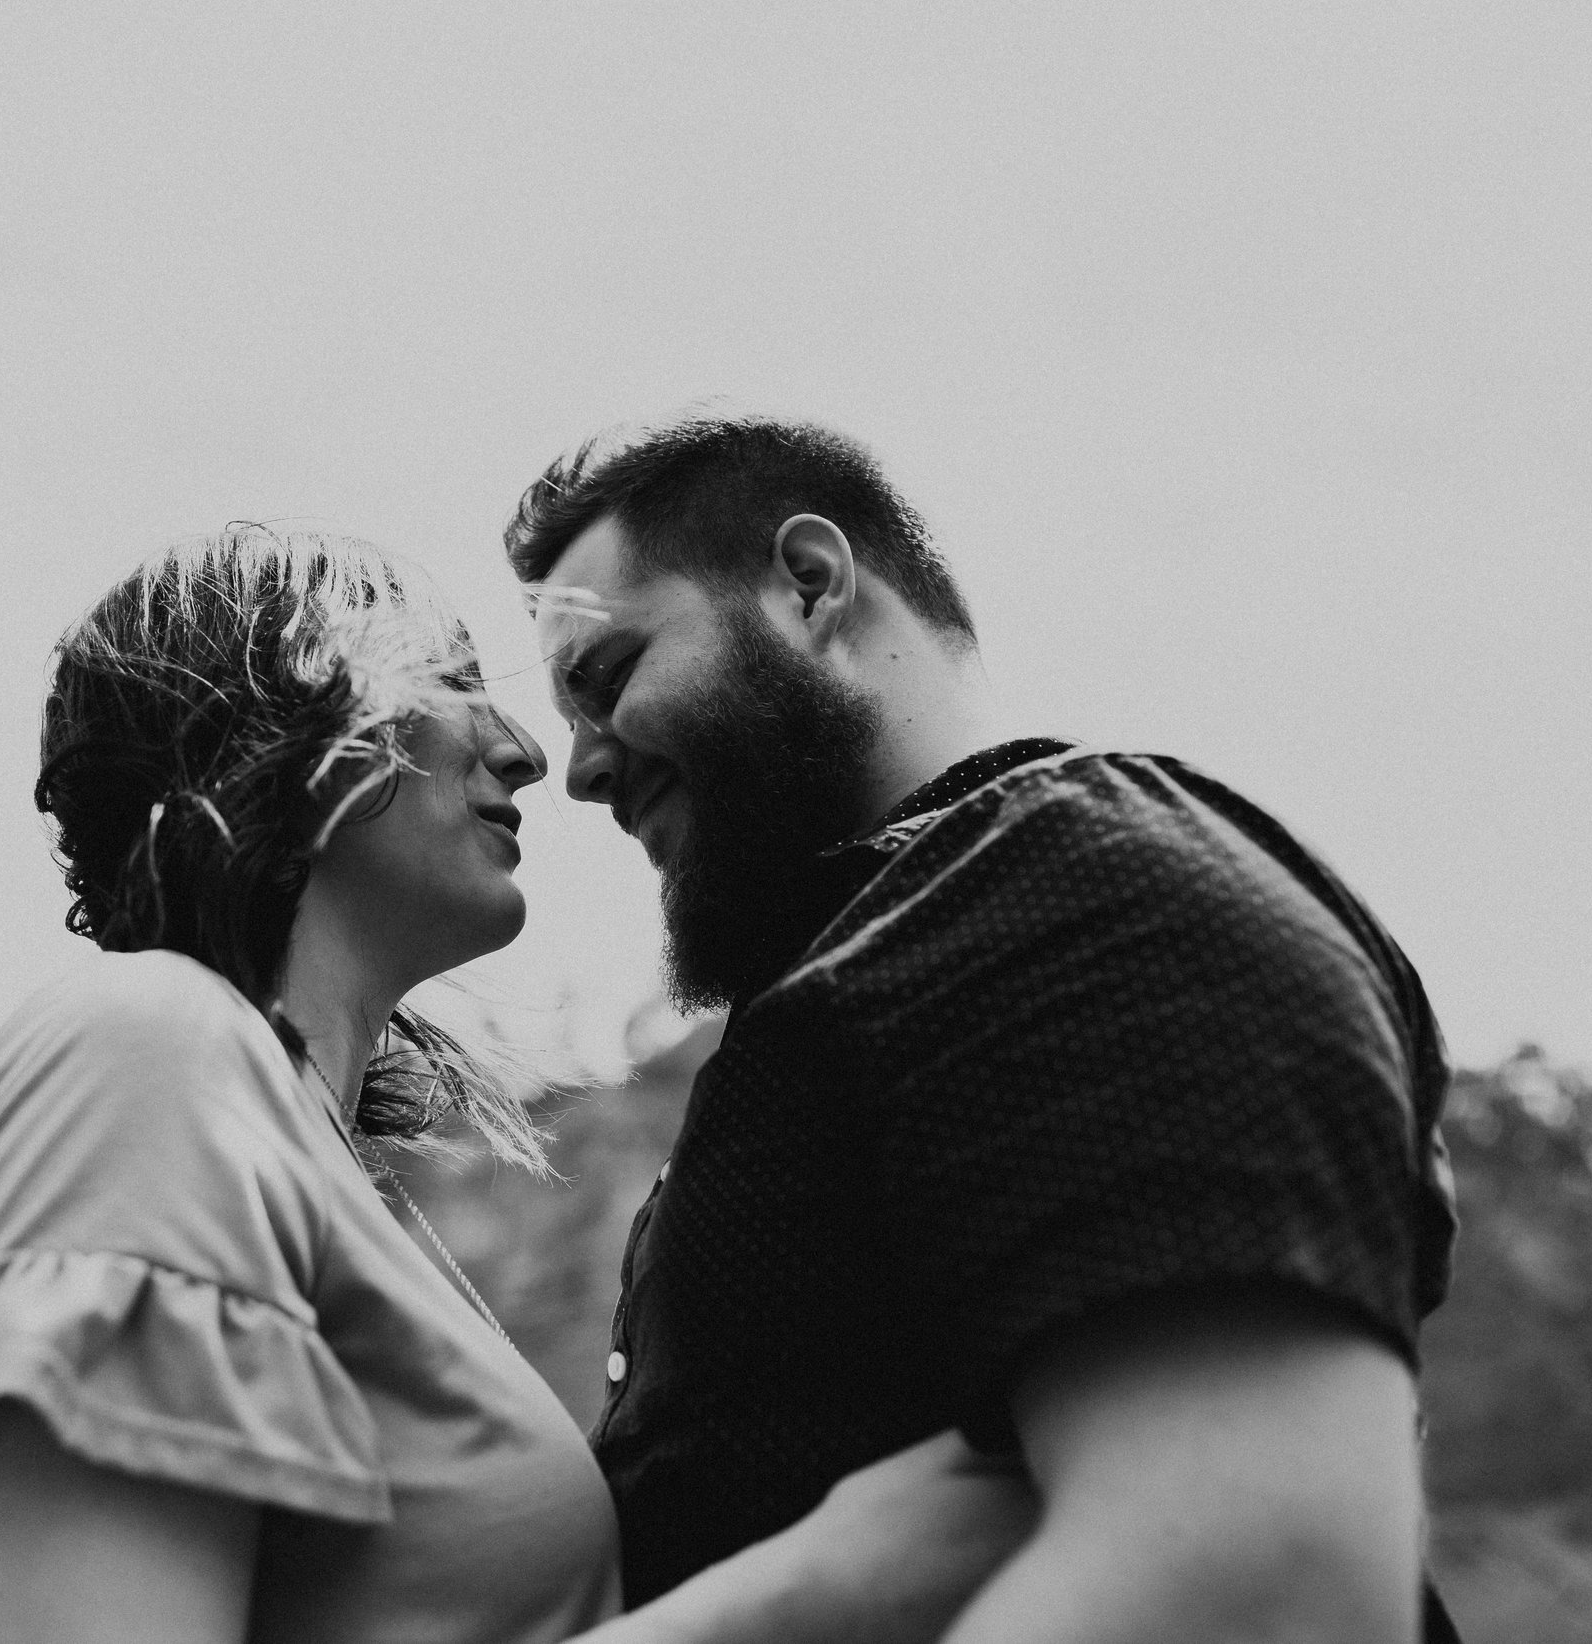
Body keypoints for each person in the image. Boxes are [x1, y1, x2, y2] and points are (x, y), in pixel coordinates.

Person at [0, 527, 1036, 1644]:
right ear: (296, 713)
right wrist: (819, 1580)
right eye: (454, 680)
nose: (524, 749)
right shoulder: (143, 1048)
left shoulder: (316, 1167)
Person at [505, 415, 1465, 1644]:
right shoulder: (915, 946)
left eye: (607, 674)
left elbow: (1254, 1584)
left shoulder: (1065, 880)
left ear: (808, 584)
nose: (578, 768)